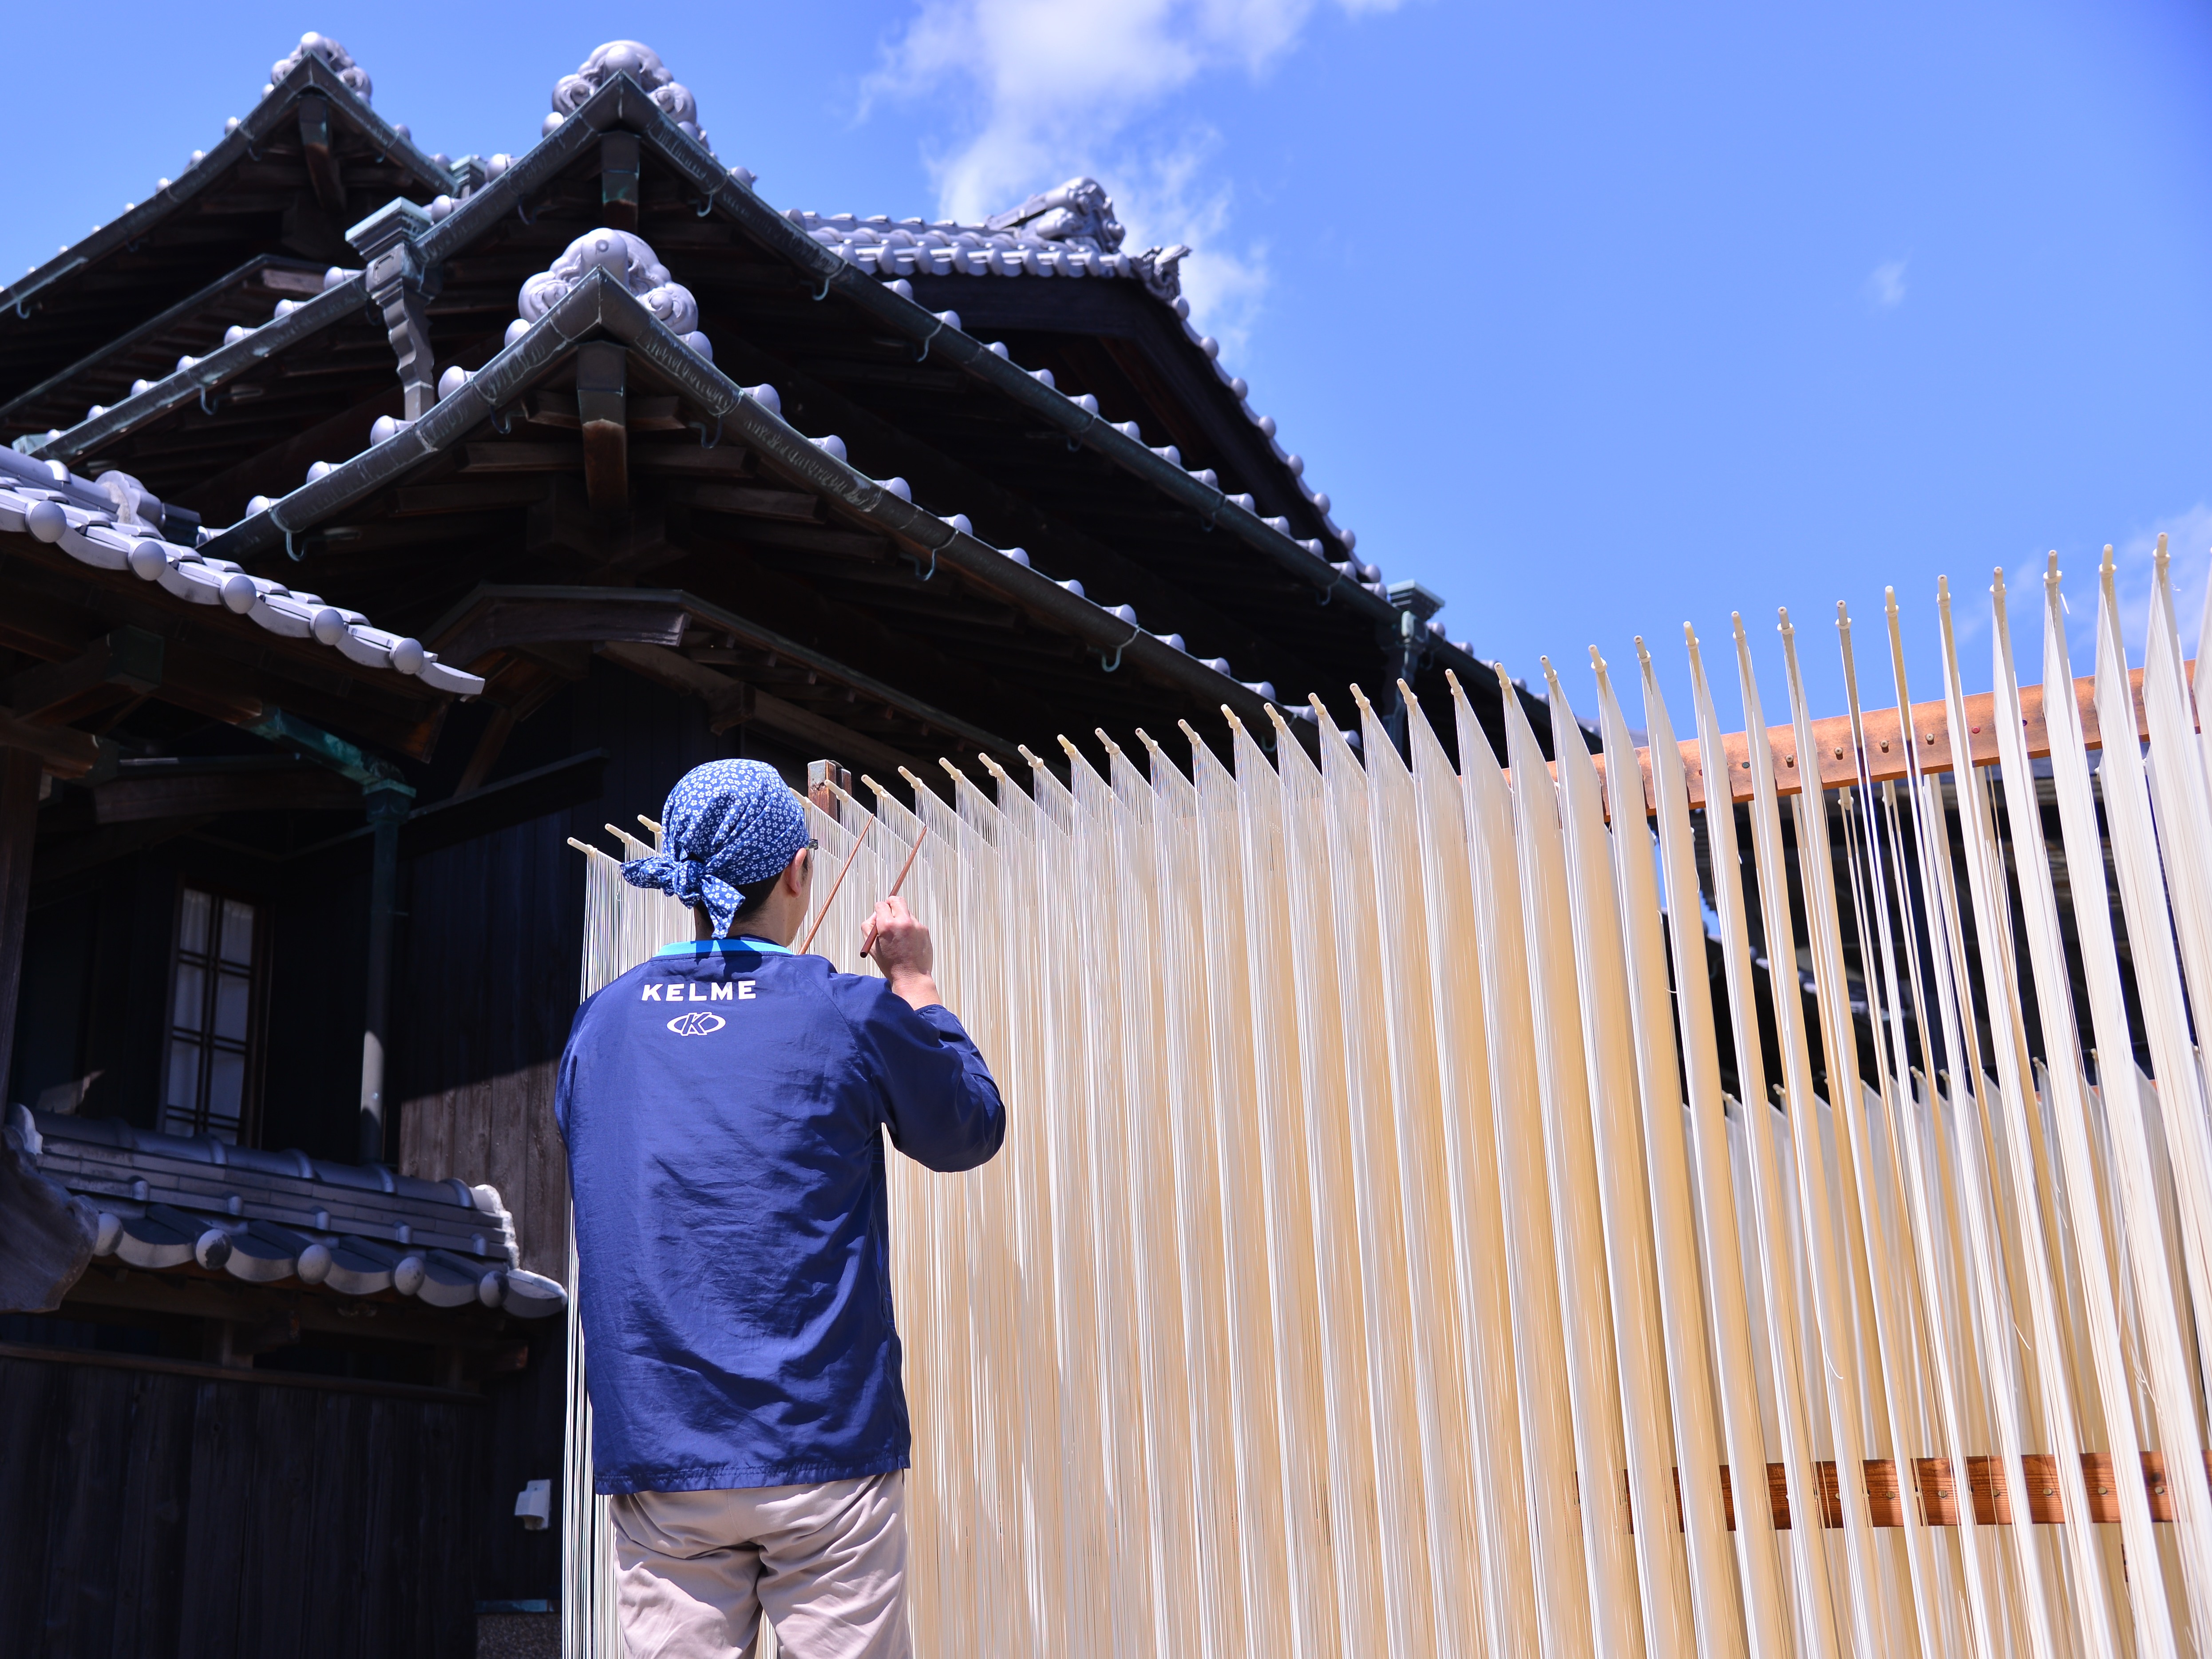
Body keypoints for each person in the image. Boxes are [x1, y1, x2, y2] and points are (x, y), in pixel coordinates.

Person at [556, 760, 1005, 1659]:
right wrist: (912, 980)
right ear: (798, 873)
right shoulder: (847, 1007)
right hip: (822, 1442)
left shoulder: (601, 1023)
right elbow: (967, 1127)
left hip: (659, 1445)